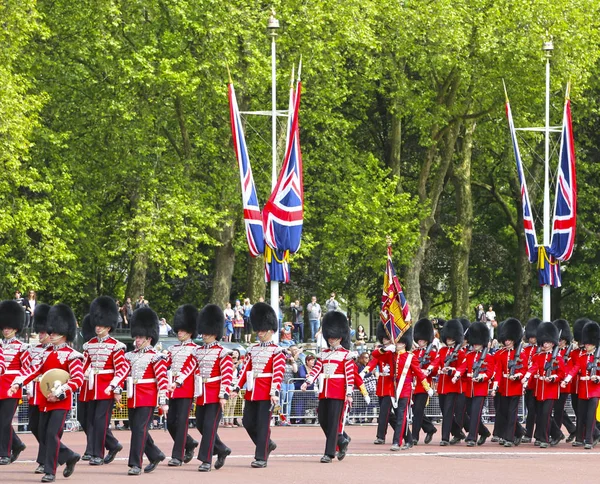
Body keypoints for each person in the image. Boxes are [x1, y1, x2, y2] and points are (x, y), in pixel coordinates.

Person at [10, 303, 84, 483]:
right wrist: (18, 382)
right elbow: (32, 370)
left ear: (63, 333)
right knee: (43, 434)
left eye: (53, 332)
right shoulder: (45, 353)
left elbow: (77, 379)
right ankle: (69, 455)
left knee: (51, 434)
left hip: (60, 402)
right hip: (44, 400)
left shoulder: (72, 355)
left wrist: (60, 393)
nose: (49, 334)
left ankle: (50, 471)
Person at [232, 302, 285, 468]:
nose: (260, 333)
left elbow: (278, 373)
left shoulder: (277, 350)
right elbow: (245, 370)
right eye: (259, 330)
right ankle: (267, 444)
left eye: (263, 330)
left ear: (271, 330)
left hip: (266, 392)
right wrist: (235, 387)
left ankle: (261, 457)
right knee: (247, 422)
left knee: (263, 425)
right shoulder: (252, 349)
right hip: (251, 391)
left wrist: (274, 391)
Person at [81, 296, 129, 466]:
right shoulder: (89, 345)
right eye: (97, 323)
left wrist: (115, 386)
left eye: (101, 324)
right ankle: (112, 445)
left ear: (108, 326)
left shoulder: (116, 346)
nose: (98, 326)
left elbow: (122, 369)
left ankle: (97, 454)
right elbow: (83, 366)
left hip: (106, 387)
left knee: (101, 421)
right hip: (91, 387)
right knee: (90, 421)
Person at [301, 311, 354, 463]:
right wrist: (308, 381)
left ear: (340, 337)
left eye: (334, 337)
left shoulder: (346, 354)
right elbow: (317, 369)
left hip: (338, 392)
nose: (331, 339)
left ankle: (329, 453)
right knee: (323, 419)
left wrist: (349, 392)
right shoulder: (323, 354)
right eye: (330, 336)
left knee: (332, 422)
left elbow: (349, 375)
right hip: (324, 391)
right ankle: (341, 438)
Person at [123, 307, 168, 475]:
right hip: (133, 396)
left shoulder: (156, 356)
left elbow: (162, 379)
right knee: (136, 429)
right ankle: (155, 454)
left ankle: (135, 464)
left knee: (140, 430)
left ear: (149, 338)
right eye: (136, 336)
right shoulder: (130, 355)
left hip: (148, 397)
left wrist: (163, 401)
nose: (137, 340)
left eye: (140, 337)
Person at [193, 304, 234, 472]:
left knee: (209, 426)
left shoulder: (222, 352)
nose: (204, 335)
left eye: (207, 332)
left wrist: (223, 394)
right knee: (201, 425)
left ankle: (206, 460)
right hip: (201, 393)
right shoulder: (198, 351)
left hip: (215, 394)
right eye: (203, 332)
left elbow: (227, 374)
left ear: (215, 333)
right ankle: (222, 449)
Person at [386, 325, 433, 451]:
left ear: (405, 343)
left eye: (400, 342)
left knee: (401, 415)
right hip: (393, 389)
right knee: (399, 416)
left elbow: (419, 373)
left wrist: (427, 387)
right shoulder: (392, 355)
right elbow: (375, 356)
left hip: (405, 389)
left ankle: (397, 441)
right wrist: (384, 350)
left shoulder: (410, 357)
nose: (398, 344)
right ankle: (410, 439)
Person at [165, 305, 200, 467]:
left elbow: (190, 368)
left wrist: (178, 380)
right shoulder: (172, 349)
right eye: (178, 329)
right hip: (172, 389)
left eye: (182, 330)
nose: (179, 332)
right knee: (171, 422)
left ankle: (177, 456)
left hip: (186, 389)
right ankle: (190, 442)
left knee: (181, 423)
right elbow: (166, 365)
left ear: (190, 331)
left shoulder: (196, 350)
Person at [521, 322, 566, 448]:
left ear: (552, 343)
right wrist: (526, 376)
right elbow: (534, 367)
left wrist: (553, 377)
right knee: (540, 415)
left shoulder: (557, 358)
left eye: (547, 342)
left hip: (551, 390)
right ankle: (545, 436)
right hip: (539, 390)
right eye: (544, 342)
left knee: (546, 414)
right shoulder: (538, 356)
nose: (545, 344)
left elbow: (562, 374)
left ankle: (545, 439)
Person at [426, 319, 467, 446]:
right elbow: (436, 362)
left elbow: (463, 366)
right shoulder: (442, 351)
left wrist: (453, 370)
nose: (449, 339)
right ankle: (458, 432)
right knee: (444, 411)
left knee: (449, 412)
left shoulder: (460, 352)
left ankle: (445, 438)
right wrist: (429, 369)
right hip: (442, 386)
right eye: (447, 337)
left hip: (453, 386)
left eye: (451, 337)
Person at [453, 322, 494, 447]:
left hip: (480, 389)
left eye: (478, 343)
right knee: (470, 413)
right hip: (469, 389)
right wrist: (456, 375)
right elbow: (463, 367)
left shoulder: (488, 357)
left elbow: (489, 372)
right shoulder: (469, 355)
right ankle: (484, 432)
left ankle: (472, 437)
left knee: (476, 413)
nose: (475, 345)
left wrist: (482, 377)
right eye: (474, 343)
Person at [561, 320, 600, 449]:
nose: (587, 345)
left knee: (590, 417)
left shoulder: (598, 357)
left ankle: (589, 440)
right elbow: (575, 369)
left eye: (589, 343)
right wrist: (566, 379)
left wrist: (597, 378)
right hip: (583, 390)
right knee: (581, 415)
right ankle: (579, 438)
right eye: (586, 343)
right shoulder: (582, 356)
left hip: (594, 390)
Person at [24, 304, 52, 472]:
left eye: (43, 332)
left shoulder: (55, 352)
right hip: (34, 393)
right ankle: (62, 451)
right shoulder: (33, 350)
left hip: (47, 393)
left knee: (43, 427)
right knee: (33, 425)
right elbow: (27, 370)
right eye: (40, 332)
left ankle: (43, 461)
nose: (41, 335)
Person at [0, 300, 29, 465]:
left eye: (8, 327)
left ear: (16, 328)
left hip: (12, 387)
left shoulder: (21, 347)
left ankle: (4, 453)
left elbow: (26, 369)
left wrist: (20, 385)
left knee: (5, 422)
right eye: (4, 327)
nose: (5, 330)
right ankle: (17, 444)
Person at [361, 324, 398, 445]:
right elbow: (373, 361)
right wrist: (364, 372)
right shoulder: (381, 351)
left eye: (386, 338)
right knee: (388, 414)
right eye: (383, 338)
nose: (384, 340)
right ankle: (404, 432)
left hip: (390, 385)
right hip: (381, 385)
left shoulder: (394, 352)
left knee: (383, 412)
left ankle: (380, 436)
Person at [492, 318, 526, 447]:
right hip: (504, 387)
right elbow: (498, 371)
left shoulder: (521, 354)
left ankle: (509, 438)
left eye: (509, 340)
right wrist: (495, 386)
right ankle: (519, 431)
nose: (507, 342)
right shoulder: (501, 354)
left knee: (512, 413)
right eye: (505, 340)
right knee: (504, 412)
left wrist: (518, 375)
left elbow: (524, 369)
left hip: (515, 387)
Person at [411, 318, 438, 445]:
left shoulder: (432, 353)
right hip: (413, 385)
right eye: (419, 339)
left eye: (422, 340)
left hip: (424, 385)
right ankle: (430, 428)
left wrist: (428, 370)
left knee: (417, 411)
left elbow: (435, 369)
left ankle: (414, 436)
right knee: (415, 410)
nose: (420, 342)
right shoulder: (414, 353)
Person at [520, 318, 541, 443]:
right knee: (530, 409)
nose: (532, 339)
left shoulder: (540, 350)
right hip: (528, 384)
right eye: (531, 336)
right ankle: (529, 433)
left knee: (535, 410)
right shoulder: (526, 350)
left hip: (537, 383)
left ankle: (534, 434)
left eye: (534, 336)